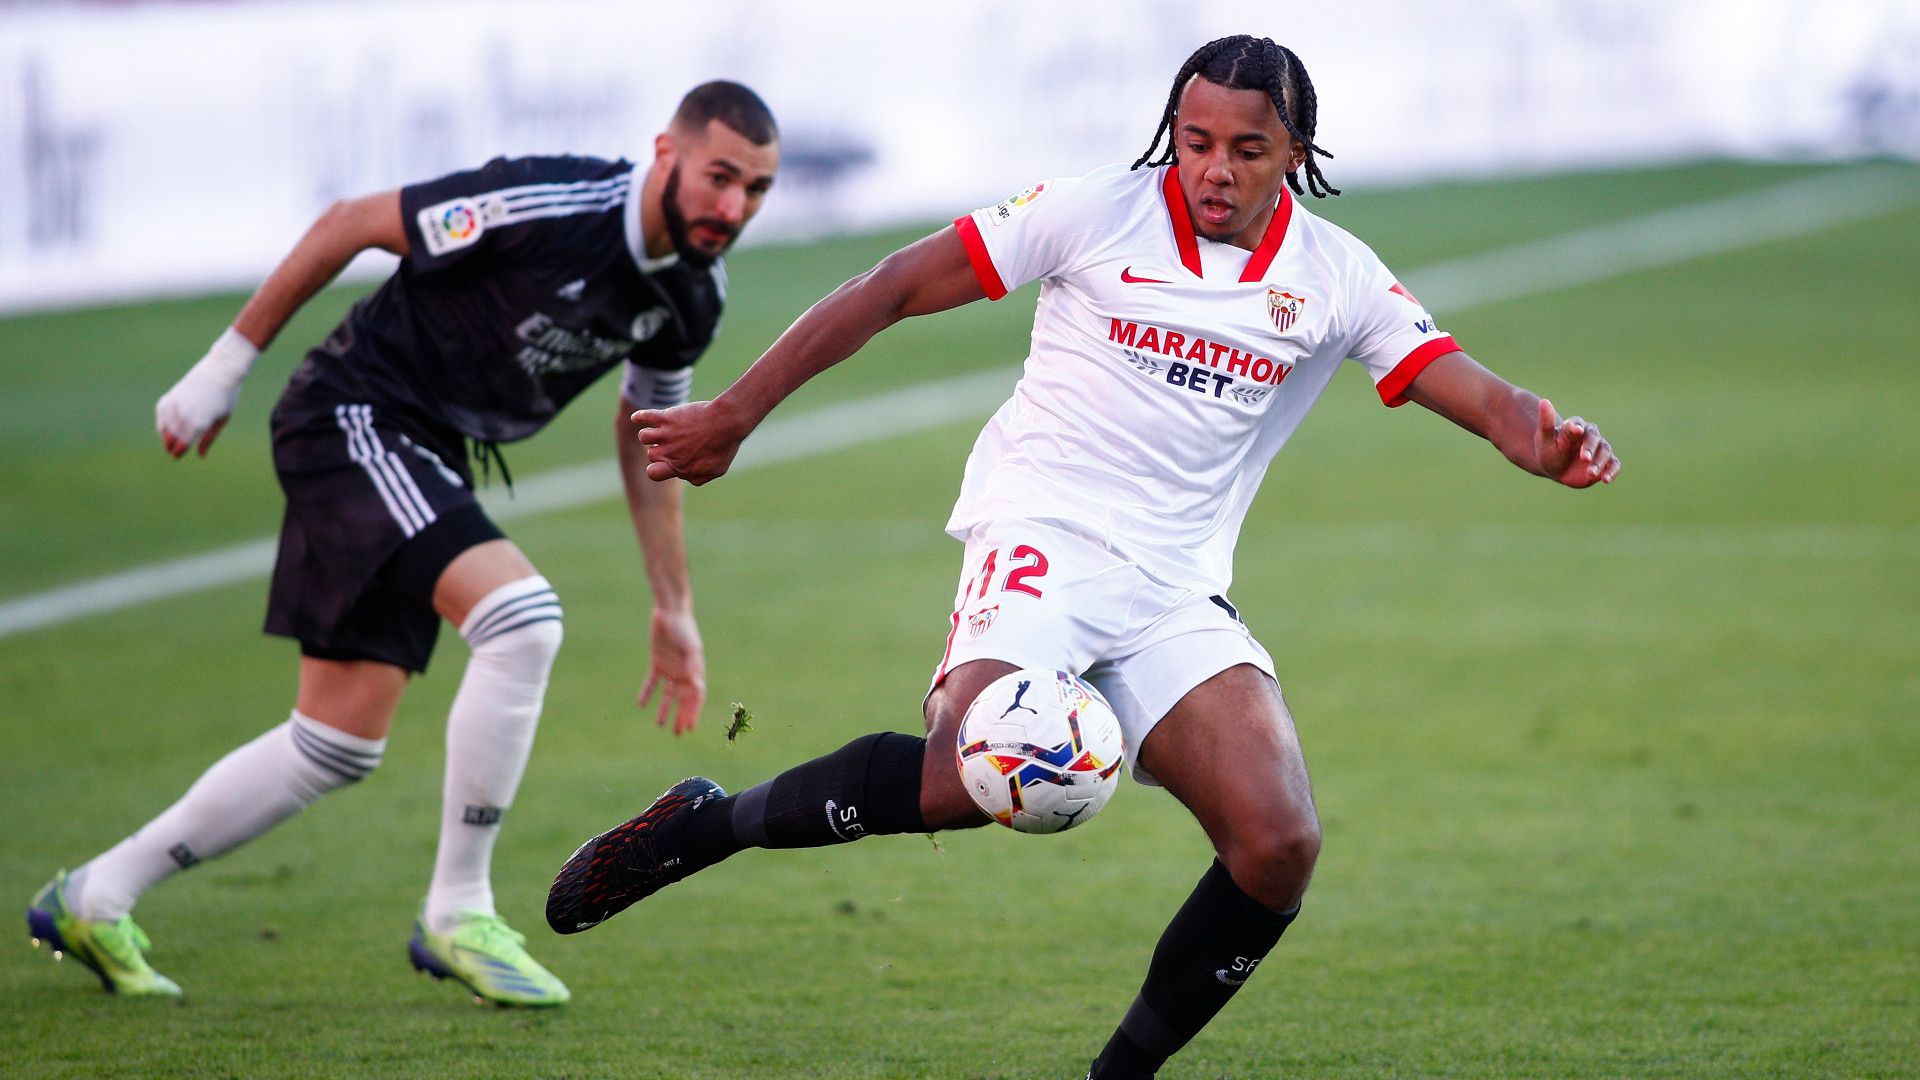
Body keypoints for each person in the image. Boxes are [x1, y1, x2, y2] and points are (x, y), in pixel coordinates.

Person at [547, 35, 1620, 1075]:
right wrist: (735, 413)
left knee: (1279, 843)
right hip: (1041, 535)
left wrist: (1541, 435)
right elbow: (890, 287)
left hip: (1174, 587)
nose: (1213, 168)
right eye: (1195, 140)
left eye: (1246, 149)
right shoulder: (1091, 212)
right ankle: (708, 826)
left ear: (1294, 151)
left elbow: (1470, 387)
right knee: (975, 764)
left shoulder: (1335, 275)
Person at [26, 81, 781, 1007]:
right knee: (522, 619)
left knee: (334, 744)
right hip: (354, 417)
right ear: (665, 151)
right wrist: (223, 369)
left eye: (754, 190)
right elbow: (353, 222)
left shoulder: (691, 294)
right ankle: (458, 910)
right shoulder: (547, 202)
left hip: (424, 454)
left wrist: (674, 606)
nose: (732, 208)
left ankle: (93, 897)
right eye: (718, 178)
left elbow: (650, 432)